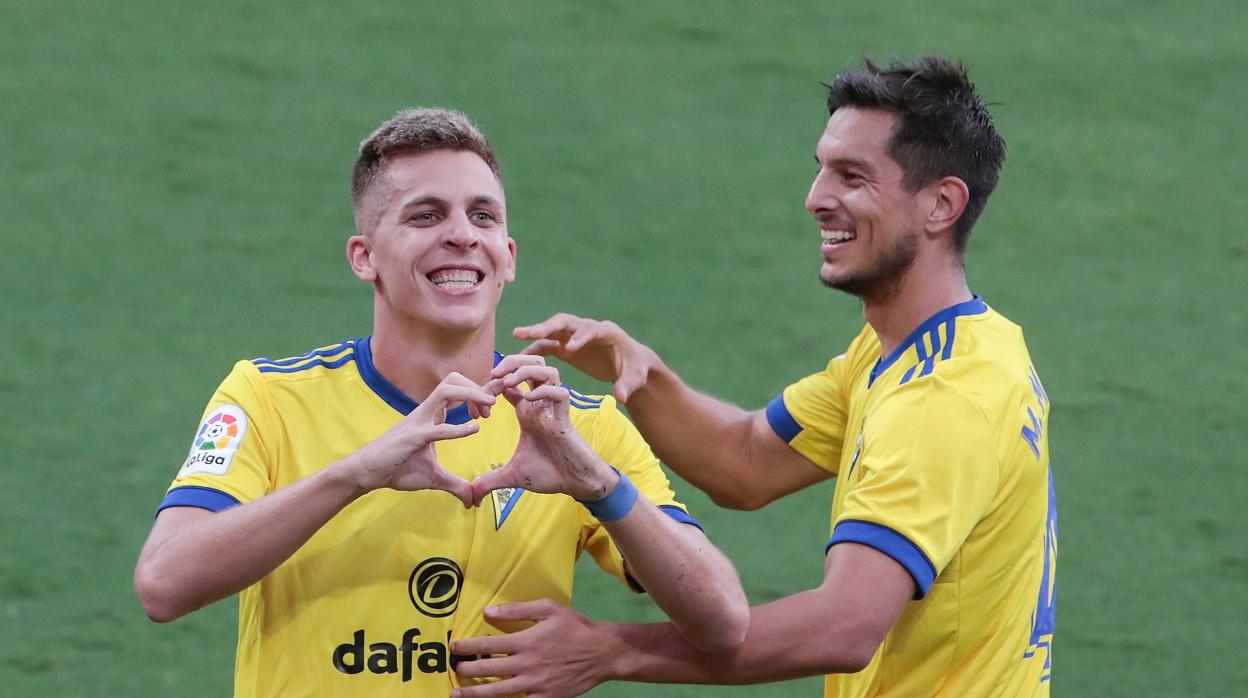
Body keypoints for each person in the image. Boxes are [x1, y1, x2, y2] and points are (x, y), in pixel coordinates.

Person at [453, 56, 1056, 697]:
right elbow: (745, 462)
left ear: (941, 204)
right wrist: (640, 372)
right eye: (821, 168)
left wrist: (612, 649)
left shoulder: (944, 395)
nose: (817, 198)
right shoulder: (921, 351)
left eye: (852, 177)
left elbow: (843, 628)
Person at [133, 108, 748, 697]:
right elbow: (164, 584)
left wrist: (596, 484)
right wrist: (356, 475)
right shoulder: (270, 398)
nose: (461, 236)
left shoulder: (572, 426)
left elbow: (723, 621)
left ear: (508, 257)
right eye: (425, 216)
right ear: (364, 256)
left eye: (483, 217)